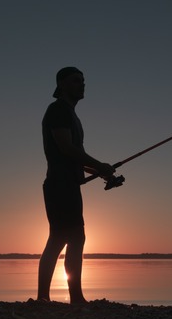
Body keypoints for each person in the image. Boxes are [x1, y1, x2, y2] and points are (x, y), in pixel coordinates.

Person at [38, 66, 116, 303]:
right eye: (76, 80)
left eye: (83, 81)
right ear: (61, 84)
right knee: (67, 238)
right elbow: (66, 149)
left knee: (65, 238)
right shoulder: (58, 110)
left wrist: (102, 172)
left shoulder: (71, 115)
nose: (82, 85)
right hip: (59, 185)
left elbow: (74, 157)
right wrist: (100, 165)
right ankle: (65, 298)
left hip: (68, 185)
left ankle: (53, 298)